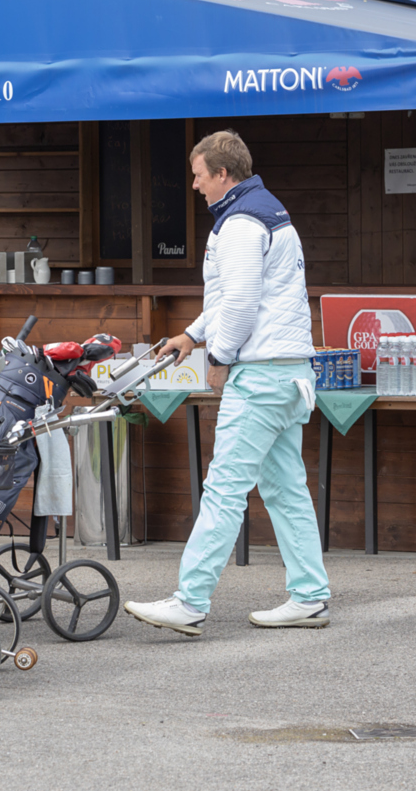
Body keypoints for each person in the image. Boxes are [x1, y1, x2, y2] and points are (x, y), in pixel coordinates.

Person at [122, 131, 330, 636]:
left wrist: (218, 357)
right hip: (290, 372)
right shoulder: (268, 210)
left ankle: (190, 602)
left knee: (223, 490)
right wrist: (192, 335)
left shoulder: (239, 222)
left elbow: (239, 302)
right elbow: (236, 296)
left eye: (198, 176)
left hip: (258, 377)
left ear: (222, 173)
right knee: (286, 490)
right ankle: (309, 596)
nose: (194, 185)